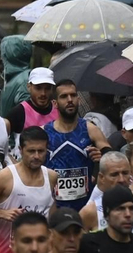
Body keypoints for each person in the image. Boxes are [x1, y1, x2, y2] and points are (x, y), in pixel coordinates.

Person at [44, 78, 109, 212]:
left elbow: (111, 158)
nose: (69, 100)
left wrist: (101, 158)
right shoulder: (44, 132)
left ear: (79, 99)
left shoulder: (90, 129)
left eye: (73, 95)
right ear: (55, 103)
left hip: (86, 208)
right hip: (53, 209)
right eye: (64, 96)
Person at [81, 150, 133, 237]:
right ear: (102, 177)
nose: (121, 179)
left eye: (125, 173)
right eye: (114, 175)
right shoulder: (89, 212)